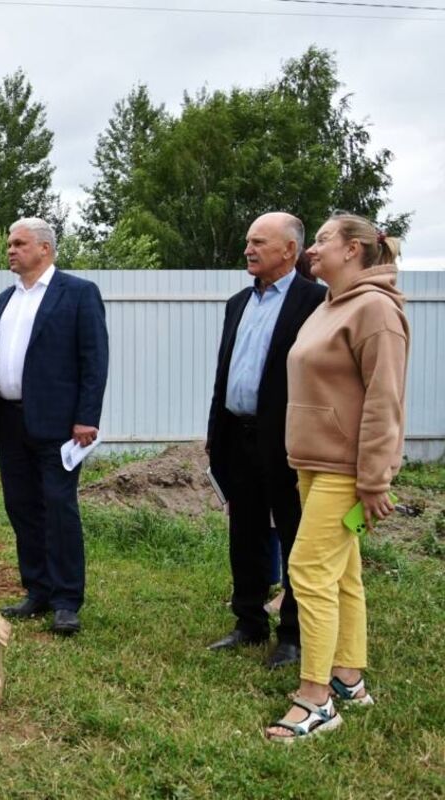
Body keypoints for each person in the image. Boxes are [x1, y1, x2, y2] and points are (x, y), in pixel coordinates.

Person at [264, 213, 408, 742]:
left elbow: (384, 401)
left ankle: (316, 699)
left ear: (353, 250)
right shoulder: (330, 305)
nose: (312, 249)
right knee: (343, 574)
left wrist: (375, 479)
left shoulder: (375, 311)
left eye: (322, 240)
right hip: (312, 463)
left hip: (347, 471)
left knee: (306, 571)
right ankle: (348, 677)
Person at [0, 217, 109, 635]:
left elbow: (94, 361)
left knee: (58, 508)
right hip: (10, 421)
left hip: (59, 425)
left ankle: (67, 600)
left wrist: (87, 417)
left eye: (19, 243)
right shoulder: (3, 300)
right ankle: (37, 589)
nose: (10, 250)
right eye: (9, 243)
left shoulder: (78, 294)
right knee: (22, 507)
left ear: (44, 249)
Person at [206, 212, 326, 669]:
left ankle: (293, 634)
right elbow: (226, 373)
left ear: (290, 251)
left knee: (295, 532)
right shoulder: (238, 302)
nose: (248, 249)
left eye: (258, 242)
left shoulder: (315, 300)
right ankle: (248, 621)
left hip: (289, 438)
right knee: (246, 530)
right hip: (237, 432)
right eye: (247, 241)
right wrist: (215, 432)